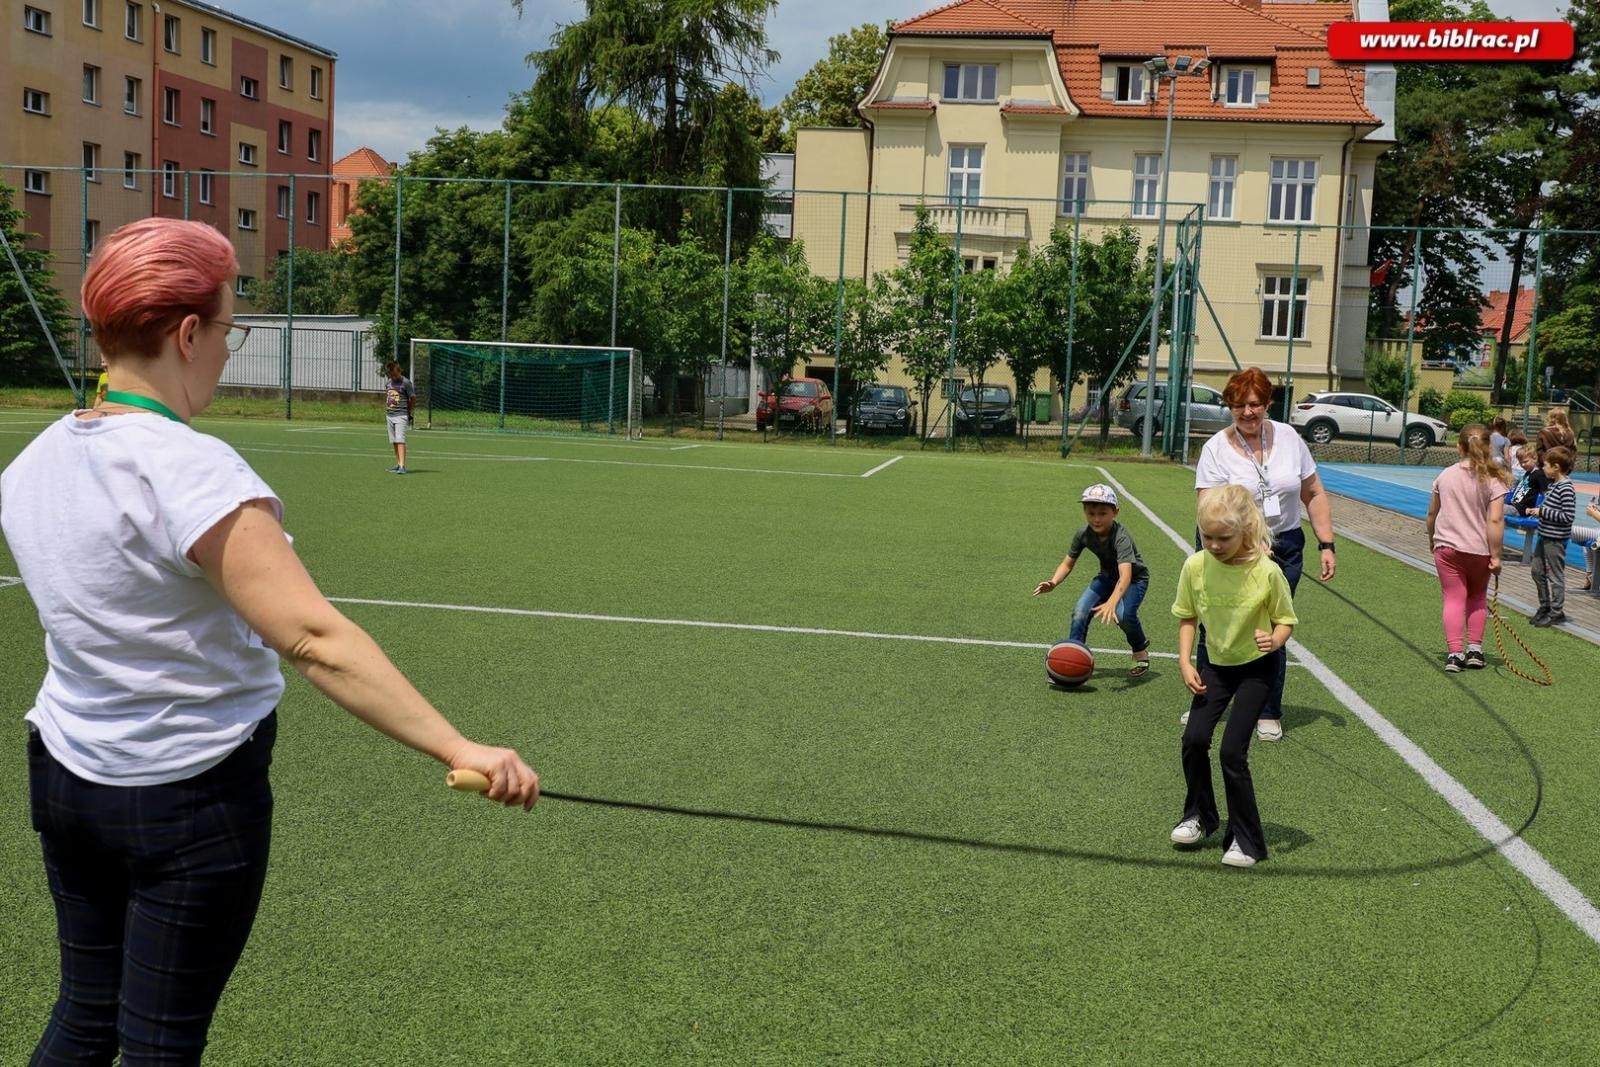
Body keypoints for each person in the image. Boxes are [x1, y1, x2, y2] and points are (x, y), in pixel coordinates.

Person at [0, 218, 540, 1066]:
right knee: (158, 1045)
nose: (227, 347)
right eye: (229, 327)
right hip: (190, 796)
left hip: (68, 780)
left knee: (83, 1016)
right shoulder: (192, 469)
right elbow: (315, 638)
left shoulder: (32, 462)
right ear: (187, 334)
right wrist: (458, 744)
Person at [1190, 366, 1336, 741]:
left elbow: (1314, 492)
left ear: (1268, 403)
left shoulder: (1289, 438)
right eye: (1238, 405)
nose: (1247, 412)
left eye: (1255, 404)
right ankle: (1207, 702)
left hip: (1284, 544)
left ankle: (1267, 710)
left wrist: (1326, 543)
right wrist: (1250, 541)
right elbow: (1208, 510)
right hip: (1227, 548)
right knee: (1215, 622)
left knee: (1272, 626)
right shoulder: (1215, 449)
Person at [1170, 483, 1297, 868]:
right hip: (1215, 665)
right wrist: (1185, 662)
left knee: (1231, 751)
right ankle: (1199, 816)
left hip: (1257, 669)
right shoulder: (1195, 566)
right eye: (1207, 536)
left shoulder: (1267, 572)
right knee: (1194, 738)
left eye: (1223, 538)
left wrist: (1274, 641)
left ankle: (1247, 841)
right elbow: (1187, 617)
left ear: (1246, 530)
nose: (1213, 544)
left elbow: (1286, 621)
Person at [1032, 483, 1153, 678]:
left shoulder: (1121, 537)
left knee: (1123, 615)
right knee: (1080, 611)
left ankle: (1139, 649)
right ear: (1085, 512)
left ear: (1115, 512)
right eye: (1091, 513)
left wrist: (1112, 602)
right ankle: (1072, 657)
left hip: (1134, 580)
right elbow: (1067, 563)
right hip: (1107, 577)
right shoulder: (1083, 534)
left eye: (1103, 513)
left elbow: (1126, 575)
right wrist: (1053, 582)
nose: (1096, 519)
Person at [1424, 424, 1511, 672]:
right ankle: (1475, 650)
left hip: (1447, 546)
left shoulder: (1445, 475)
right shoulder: (1493, 480)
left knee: (1453, 598)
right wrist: (1497, 555)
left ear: (1458, 447)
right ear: (1488, 447)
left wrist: (1432, 538)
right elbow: (1495, 520)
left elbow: (1432, 514)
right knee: (1477, 597)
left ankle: (1454, 653)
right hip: (1479, 550)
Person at [1530, 445, 1576, 627]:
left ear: (1556, 467)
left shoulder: (1566, 488)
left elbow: (1567, 516)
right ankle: (1545, 606)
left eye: (1546, 465)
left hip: (1555, 539)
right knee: (1537, 571)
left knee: (1555, 576)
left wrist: (1542, 512)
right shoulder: (1553, 485)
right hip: (1544, 535)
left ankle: (1556, 612)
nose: (1543, 468)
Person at [384, 360, 415, 474]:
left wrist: (409, 412)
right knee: (394, 441)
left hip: (401, 415)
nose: (393, 377)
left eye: (395, 375)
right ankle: (397, 464)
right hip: (390, 415)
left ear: (399, 371)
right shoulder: (388, 383)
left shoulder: (406, 383)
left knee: (400, 440)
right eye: (391, 375)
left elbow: (412, 398)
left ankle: (402, 466)